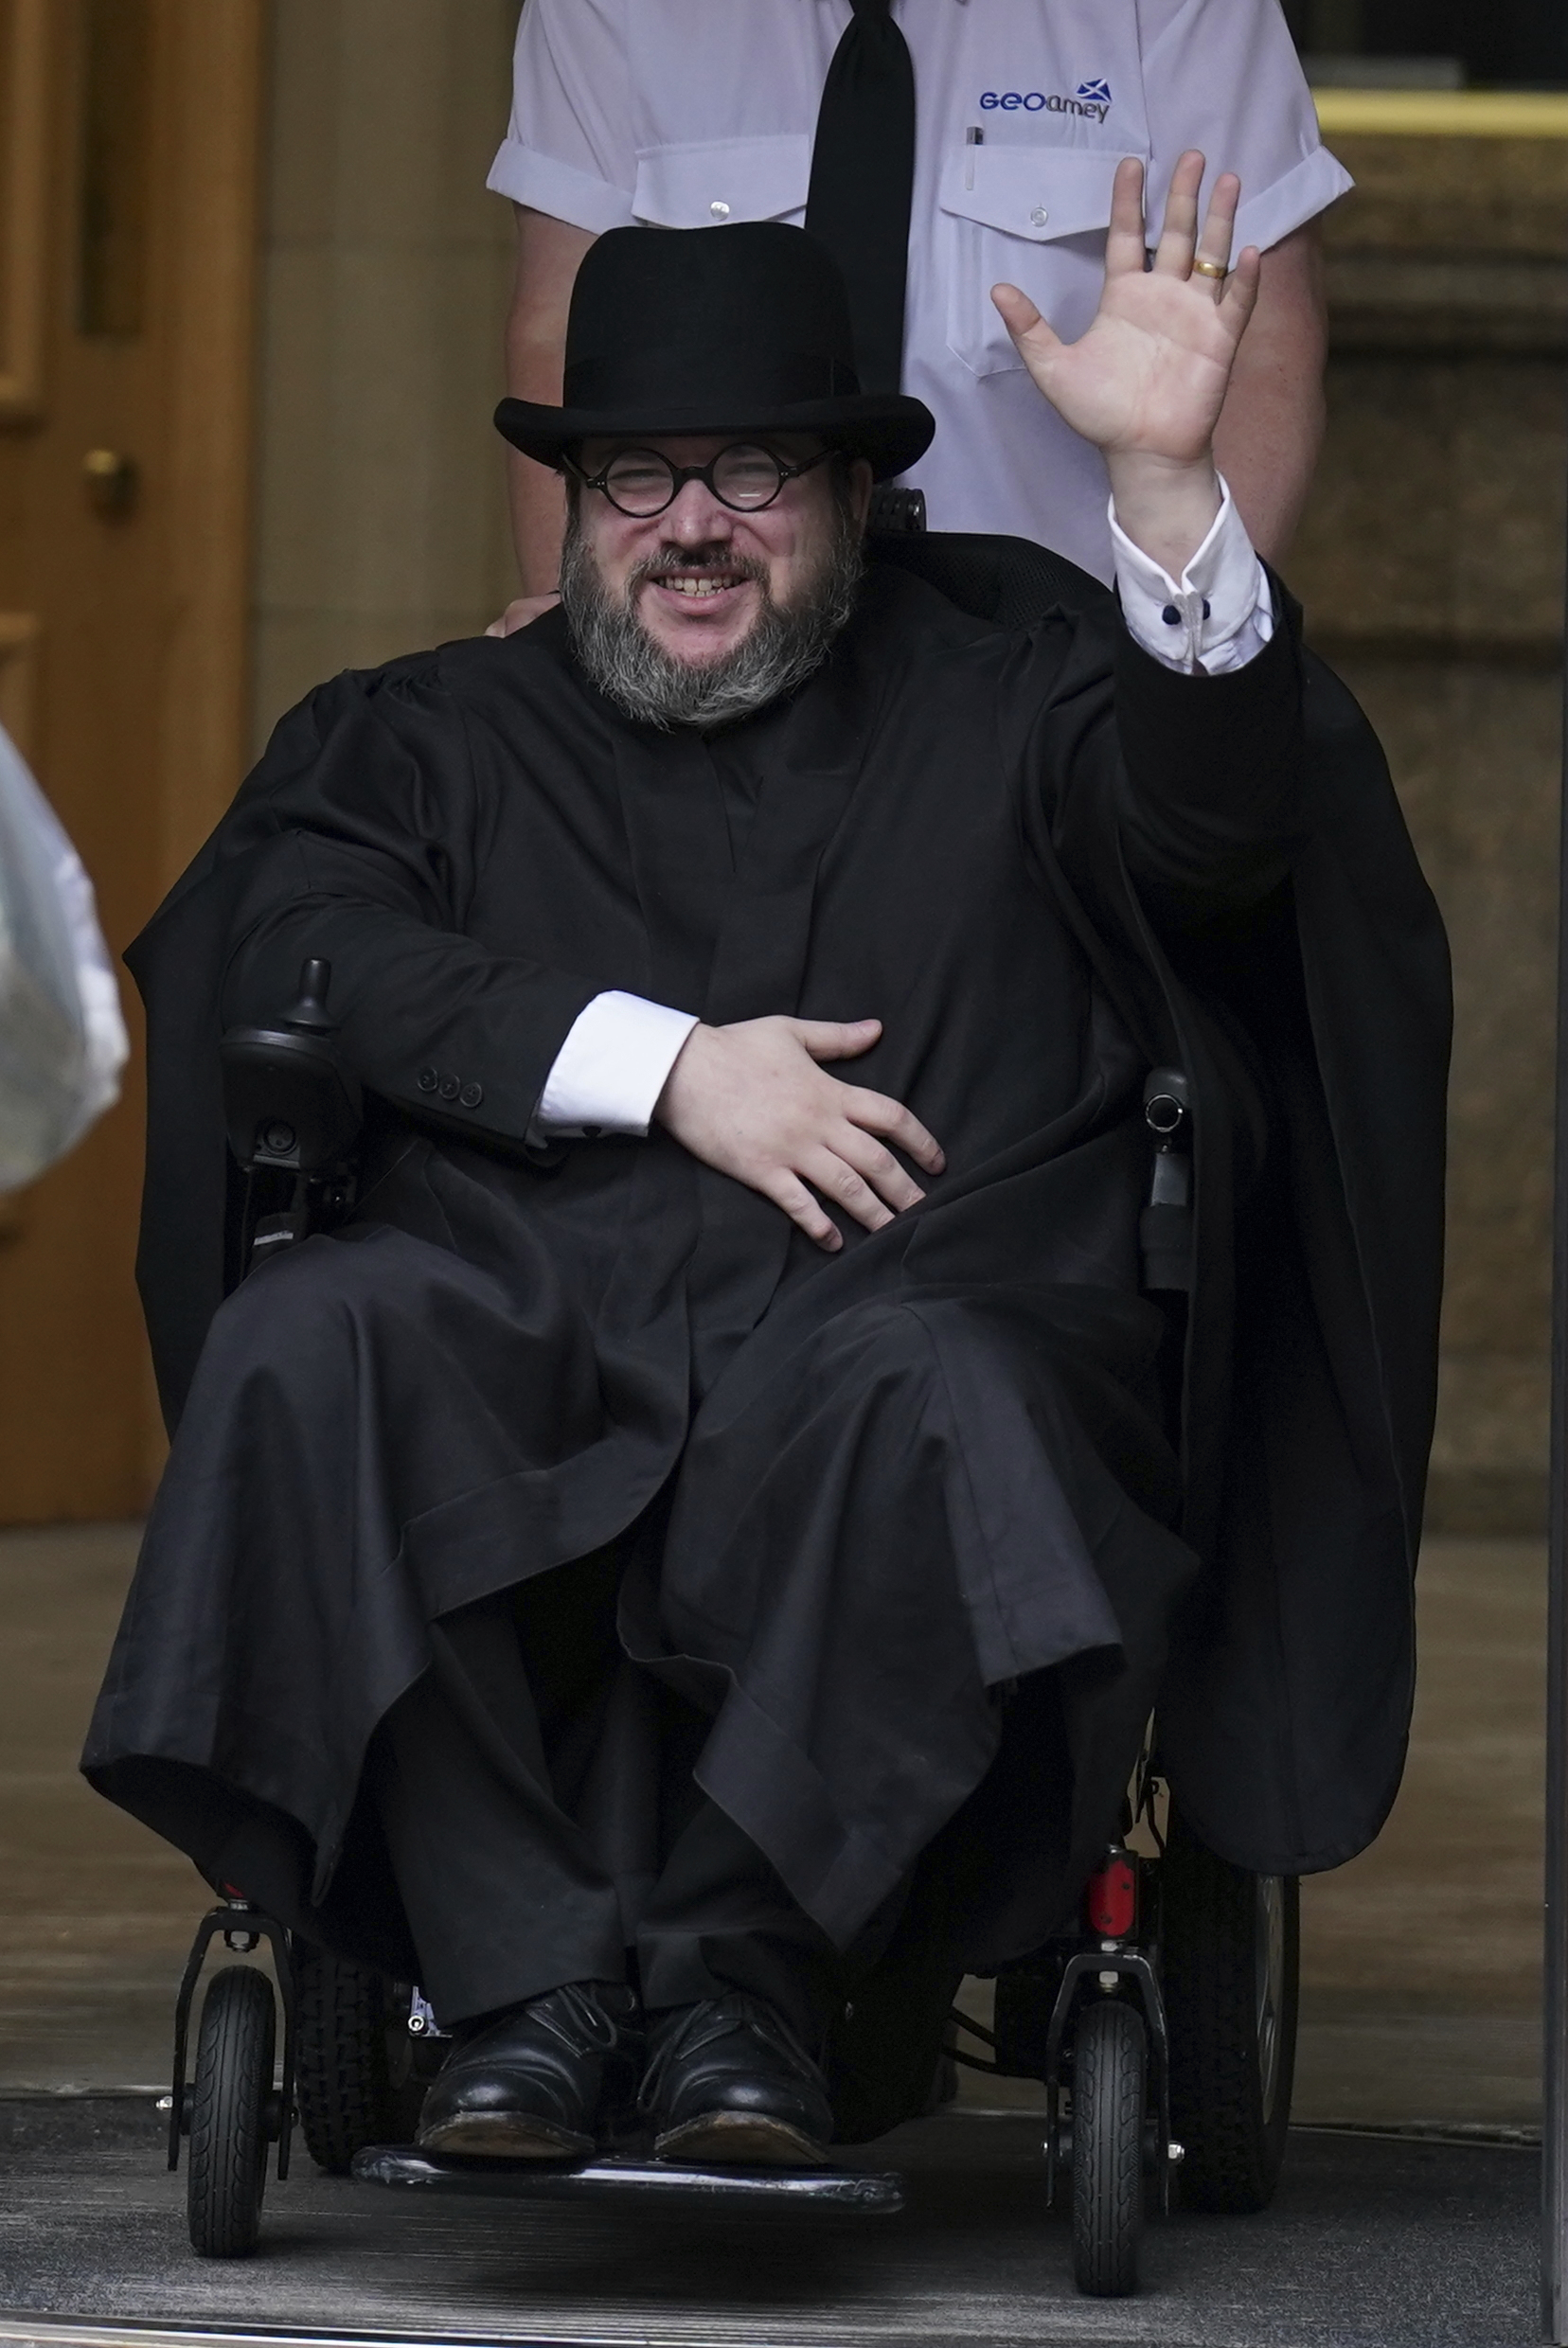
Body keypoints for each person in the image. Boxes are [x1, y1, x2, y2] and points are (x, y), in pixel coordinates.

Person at [84, 163, 1447, 2169]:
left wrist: (1167, 496)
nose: (691, 525)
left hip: (911, 1307)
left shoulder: (1014, 692)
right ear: (569, 505)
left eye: (751, 470)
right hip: (521, 1303)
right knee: (309, 1341)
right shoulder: (428, 734)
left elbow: (1222, 837)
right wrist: (666, 1068)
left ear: (852, 496)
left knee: (950, 1394)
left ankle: (754, 1974)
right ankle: (525, 1987)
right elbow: (286, 946)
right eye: (634, 477)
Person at [487, 0, 1349, 624]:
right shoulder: (606, 12)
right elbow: (561, 340)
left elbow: (1261, 345)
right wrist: (583, 641)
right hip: (711, 681)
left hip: (1061, 677)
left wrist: (1176, 663)